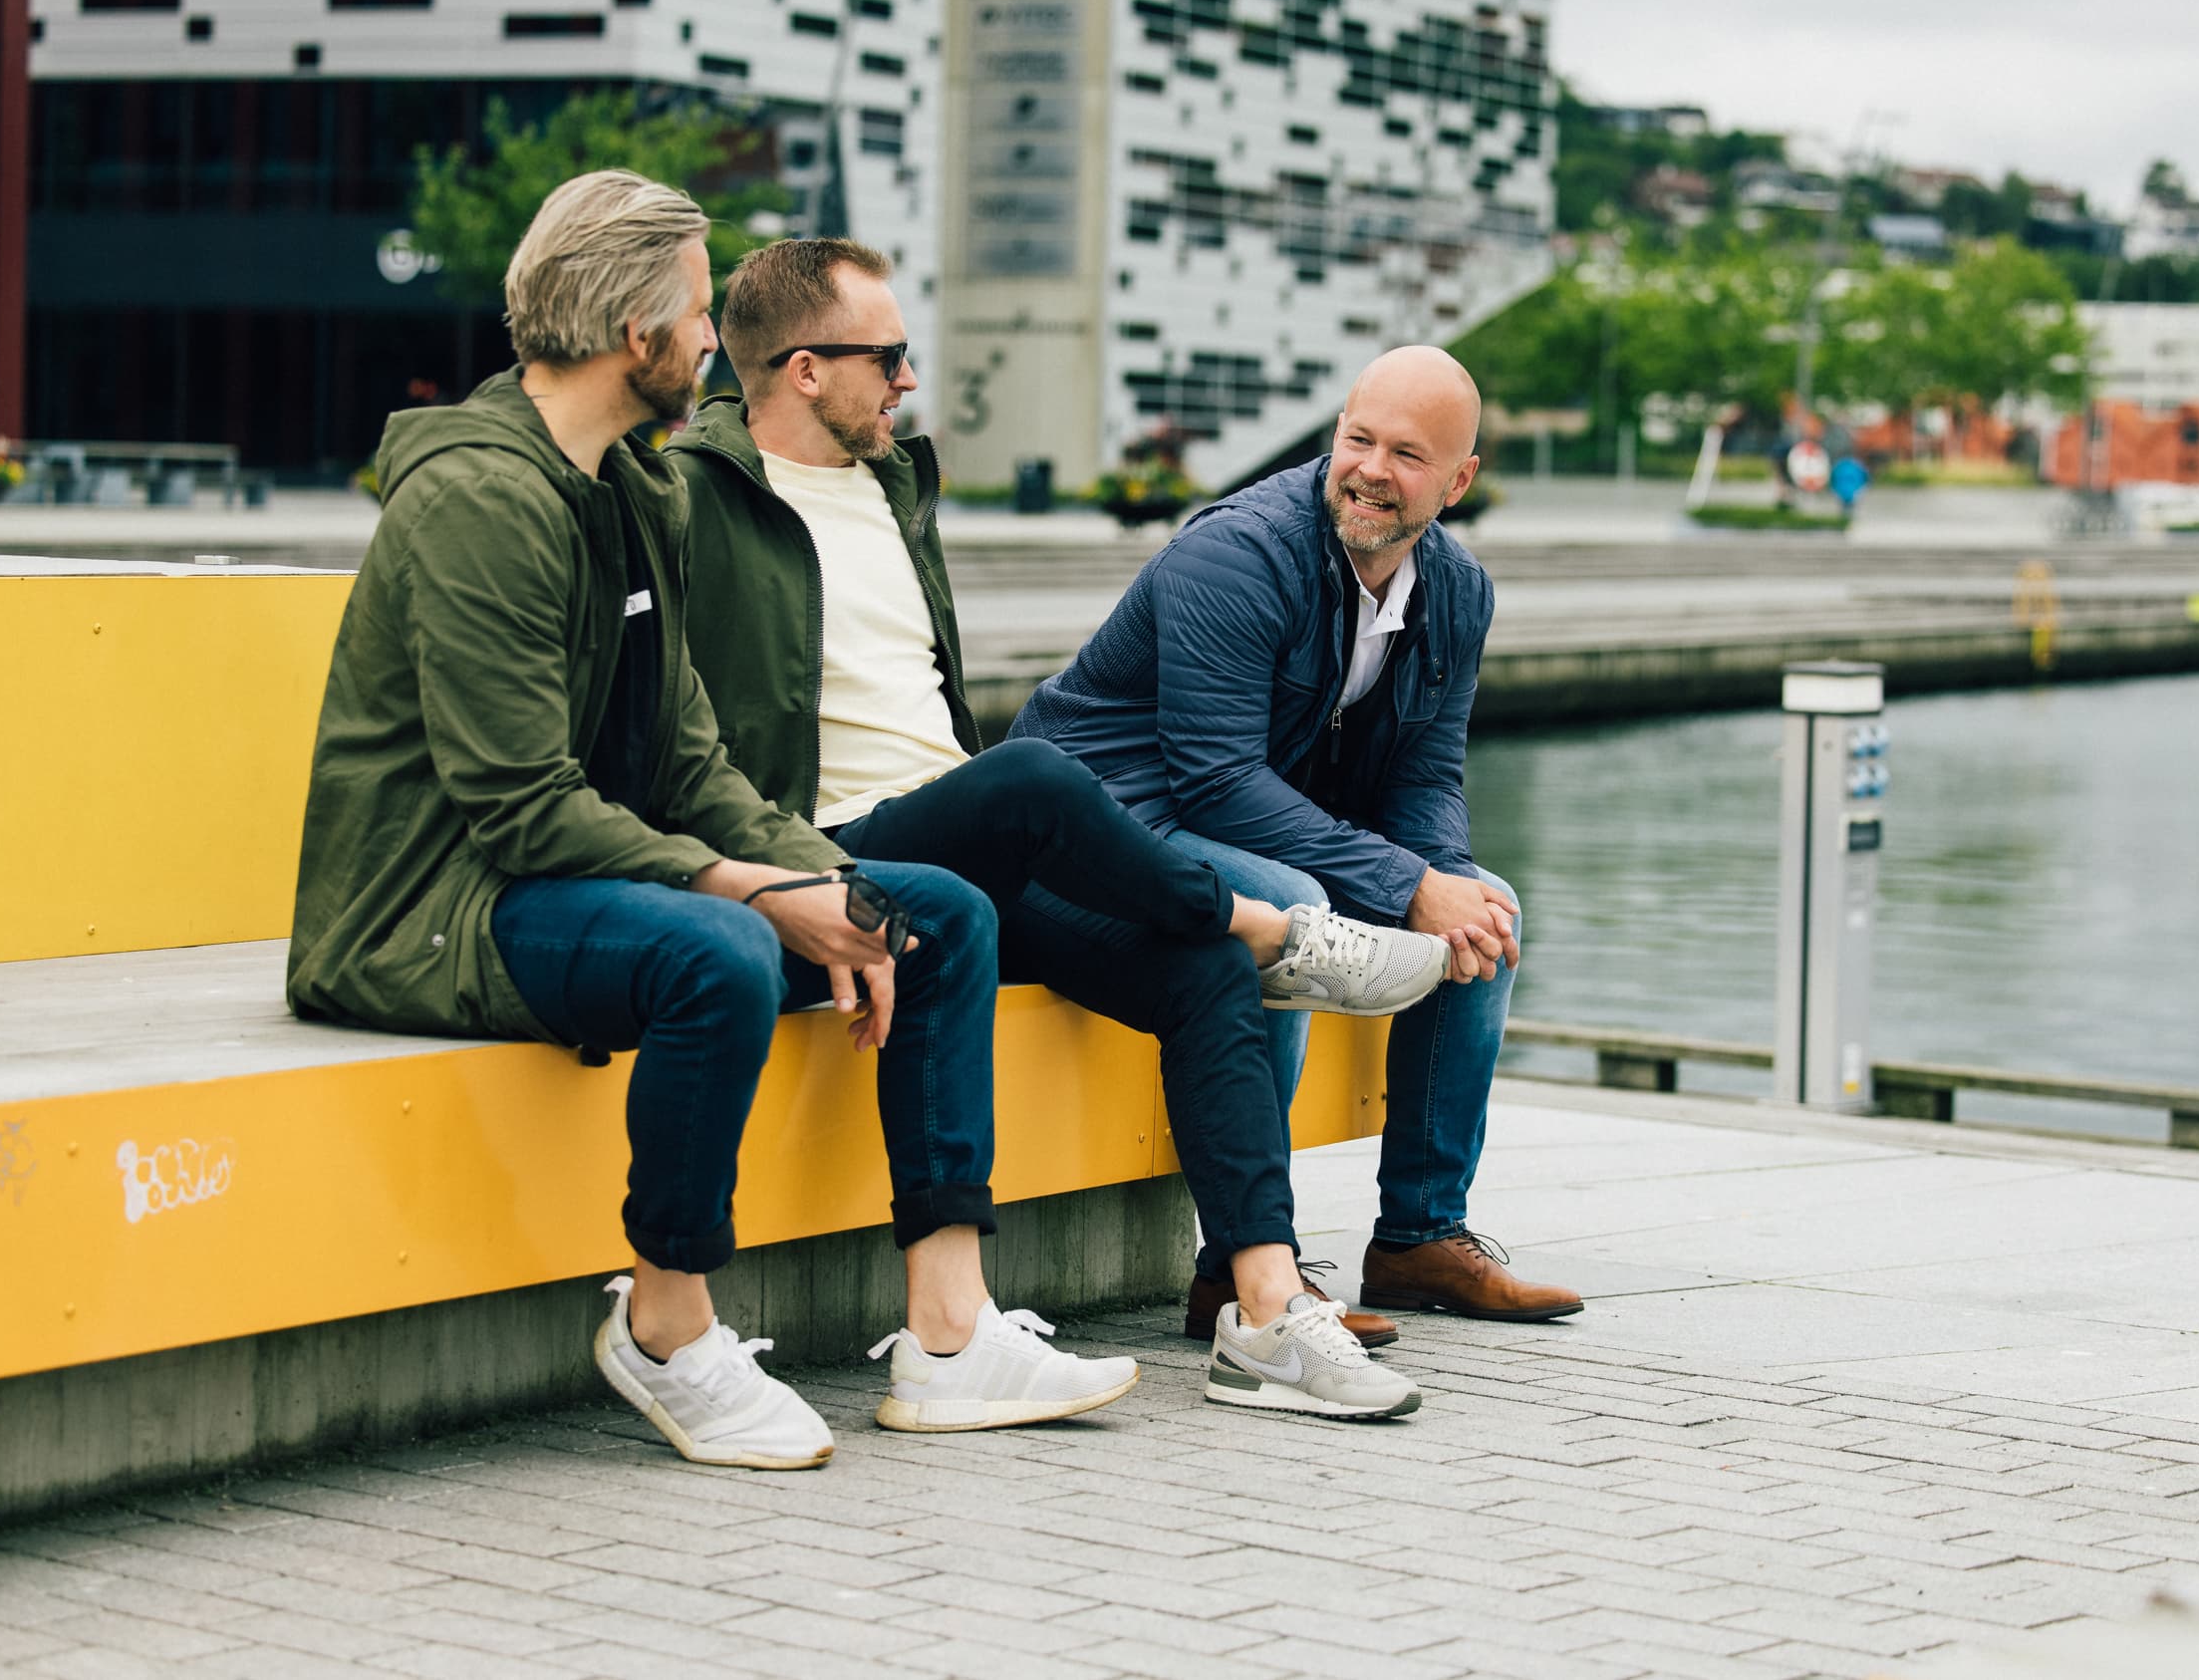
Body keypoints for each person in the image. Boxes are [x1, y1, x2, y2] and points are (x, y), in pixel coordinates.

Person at [286, 172, 1136, 1468]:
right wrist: (750, 889)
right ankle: (668, 1323)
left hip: (563, 878)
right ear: (637, 336)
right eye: (695, 312)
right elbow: (518, 807)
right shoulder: (480, 499)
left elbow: (689, 759)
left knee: (934, 912)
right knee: (720, 952)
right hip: (435, 909)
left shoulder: (637, 489)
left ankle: (950, 1334)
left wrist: (830, 878)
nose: (710, 340)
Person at [670, 237, 1444, 1421]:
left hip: (956, 842)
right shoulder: (692, 501)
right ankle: (1264, 923)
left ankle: (1265, 1314)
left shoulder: (889, 488)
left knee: (1198, 976)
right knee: (1031, 780)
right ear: (807, 368)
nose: (910, 380)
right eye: (889, 357)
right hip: (826, 850)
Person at [1012, 347, 1587, 1327]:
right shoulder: (1235, 554)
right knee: (1293, 911)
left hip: (1234, 829)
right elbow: (1216, 779)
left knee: (1488, 910)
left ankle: (1420, 1238)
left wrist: (1444, 882)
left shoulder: (1456, 592)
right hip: (1095, 833)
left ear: (1458, 481)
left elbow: (1424, 772)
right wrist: (1407, 884)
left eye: (1406, 454)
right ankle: (1238, 1265)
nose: (1369, 469)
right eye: (1357, 438)